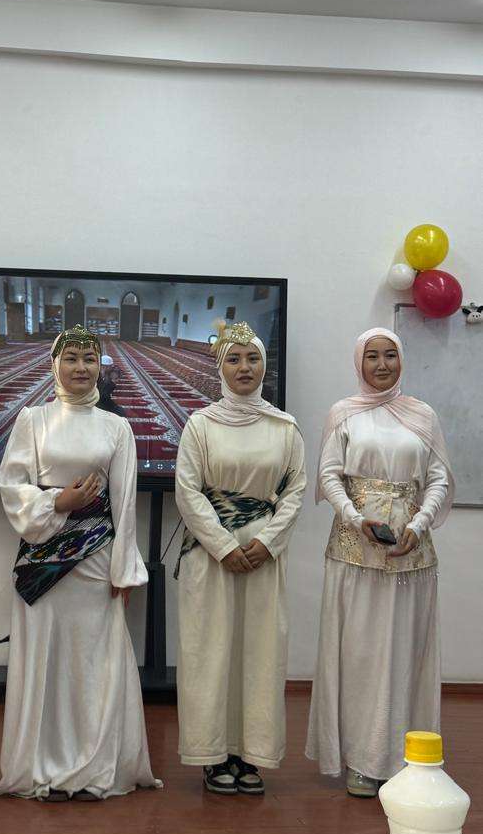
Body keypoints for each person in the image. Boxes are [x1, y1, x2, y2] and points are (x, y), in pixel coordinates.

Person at [0, 325, 160, 802]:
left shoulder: (116, 427)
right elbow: (12, 484)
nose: (81, 367)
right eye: (71, 358)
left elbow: (124, 503)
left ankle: (93, 768)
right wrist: (57, 502)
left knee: (92, 666)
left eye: (89, 358)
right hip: (43, 561)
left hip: (96, 560)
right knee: (47, 659)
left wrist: (124, 569)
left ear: (101, 366)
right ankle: (43, 766)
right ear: (55, 364)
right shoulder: (32, 420)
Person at [305, 328, 453, 797]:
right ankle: (362, 761)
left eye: (391, 355)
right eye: (372, 356)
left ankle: (404, 756)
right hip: (355, 551)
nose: (382, 364)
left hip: (411, 554)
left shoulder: (423, 416)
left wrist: (420, 524)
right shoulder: (344, 414)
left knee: (405, 655)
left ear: (402, 360)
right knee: (360, 655)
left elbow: (438, 478)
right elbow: (329, 475)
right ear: (359, 362)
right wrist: (355, 518)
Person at [174, 321, 306, 795]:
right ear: (220, 367)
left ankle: (252, 754)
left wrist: (267, 542)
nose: (244, 367)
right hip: (211, 556)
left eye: (252, 358)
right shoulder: (200, 425)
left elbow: (295, 492)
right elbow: (188, 491)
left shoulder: (284, 428)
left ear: (264, 366)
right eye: (234, 359)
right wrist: (224, 546)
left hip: (263, 556)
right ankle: (213, 754)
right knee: (210, 652)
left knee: (259, 653)